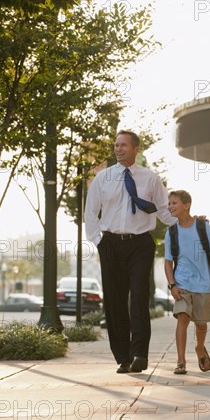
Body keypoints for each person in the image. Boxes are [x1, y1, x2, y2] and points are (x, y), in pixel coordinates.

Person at [84, 130, 177, 373]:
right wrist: (98, 241)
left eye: (123, 145)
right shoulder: (103, 178)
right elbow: (91, 212)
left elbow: (164, 212)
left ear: (136, 149)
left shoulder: (150, 179)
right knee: (114, 302)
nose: (118, 149)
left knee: (138, 298)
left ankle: (140, 355)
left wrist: (188, 221)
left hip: (140, 244)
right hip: (111, 244)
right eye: (116, 145)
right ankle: (123, 357)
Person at [164, 190, 210, 375]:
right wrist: (172, 285)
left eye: (174, 203)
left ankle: (200, 348)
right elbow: (168, 262)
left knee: (201, 323)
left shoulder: (203, 227)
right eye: (169, 203)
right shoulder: (172, 232)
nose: (170, 206)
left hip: (204, 283)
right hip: (182, 282)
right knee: (182, 318)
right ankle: (181, 361)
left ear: (186, 205)